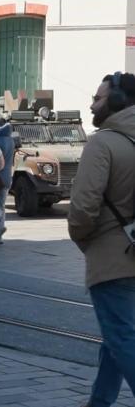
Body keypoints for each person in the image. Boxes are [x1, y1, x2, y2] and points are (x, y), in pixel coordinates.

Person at [68, 72, 135, 407]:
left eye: (98, 98)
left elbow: (82, 207)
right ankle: (99, 402)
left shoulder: (103, 142)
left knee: (122, 337)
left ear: (118, 101)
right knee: (117, 337)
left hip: (112, 258)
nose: (92, 104)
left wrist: (83, 239)